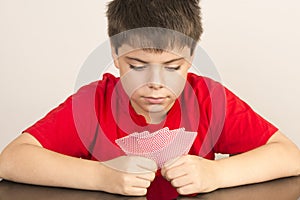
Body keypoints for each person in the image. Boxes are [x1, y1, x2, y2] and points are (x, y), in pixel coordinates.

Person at [0, 0, 299, 198]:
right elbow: (11, 160)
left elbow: (289, 156)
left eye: (172, 68)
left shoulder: (207, 100)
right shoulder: (94, 104)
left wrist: (217, 174)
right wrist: (103, 176)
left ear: (191, 57)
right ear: (116, 54)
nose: (155, 84)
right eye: (138, 66)